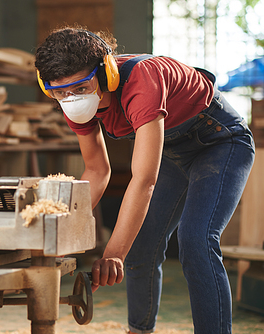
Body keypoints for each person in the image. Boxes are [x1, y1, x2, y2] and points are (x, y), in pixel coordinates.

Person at [35, 26, 255, 334]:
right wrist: (59, 233)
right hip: (173, 152)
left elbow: (144, 180)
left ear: (107, 74)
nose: (71, 100)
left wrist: (112, 254)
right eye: (59, 93)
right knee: (139, 245)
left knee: (196, 241)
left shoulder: (142, 79)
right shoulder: (72, 103)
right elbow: (97, 172)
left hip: (220, 143)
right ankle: (139, 330)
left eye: (81, 89)